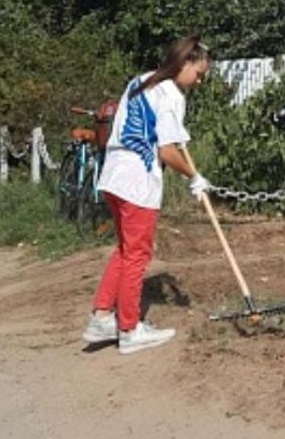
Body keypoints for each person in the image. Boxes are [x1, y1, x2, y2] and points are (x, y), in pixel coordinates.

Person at [81, 35, 212, 354]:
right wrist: (194, 177)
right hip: (138, 182)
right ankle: (129, 329)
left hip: (113, 176)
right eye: (199, 73)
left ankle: (101, 317)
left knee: (125, 250)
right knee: (137, 255)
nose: (200, 80)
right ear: (185, 63)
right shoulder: (170, 95)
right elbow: (167, 151)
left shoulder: (141, 81)